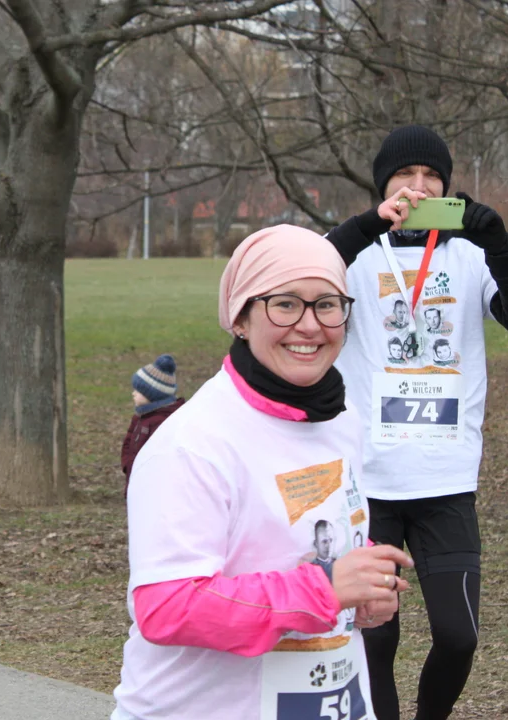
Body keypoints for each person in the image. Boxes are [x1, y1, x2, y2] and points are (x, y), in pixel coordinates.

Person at [112, 225, 414, 720]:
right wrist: (325, 589)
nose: (311, 325)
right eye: (286, 303)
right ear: (241, 319)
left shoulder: (343, 419)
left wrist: (359, 597)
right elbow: (165, 606)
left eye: (327, 304)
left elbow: (315, 554)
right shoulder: (193, 443)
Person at [326, 125, 508, 720]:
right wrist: (369, 224)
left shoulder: (470, 256)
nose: (420, 187)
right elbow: (305, 271)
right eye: (407, 176)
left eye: (433, 178)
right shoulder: (355, 259)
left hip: (446, 478)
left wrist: (501, 244)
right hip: (368, 480)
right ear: (384, 186)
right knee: (374, 638)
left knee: (459, 636)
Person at [119, 354, 185, 497]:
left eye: (139, 391)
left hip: (154, 488)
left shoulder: (162, 422)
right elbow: (128, 441)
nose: (133, 394)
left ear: (153, 395)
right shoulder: (140, 417)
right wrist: (127, 464)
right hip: (136, 479)